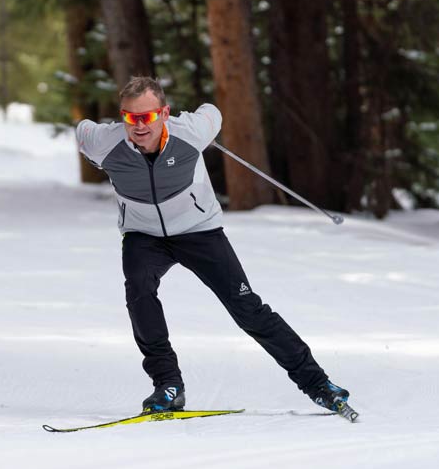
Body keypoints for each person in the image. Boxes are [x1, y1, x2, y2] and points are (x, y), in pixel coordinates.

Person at [75, 76, 351, 415]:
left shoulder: (190, 132)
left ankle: (318, 384)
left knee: (247, 308)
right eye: (130, 118)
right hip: (142, 234)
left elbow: (213, 113)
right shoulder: (106, 142)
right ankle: (168, 385)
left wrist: (192, 123)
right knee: (139, 292)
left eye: (147, 117)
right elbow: (82, 130)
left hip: (198, 231)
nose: (138, 126)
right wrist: (95, 159)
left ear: (164, 113)